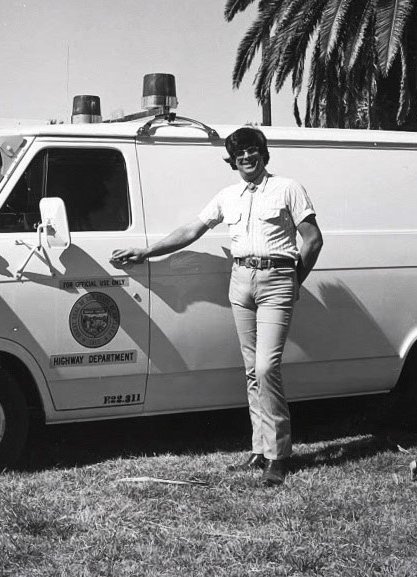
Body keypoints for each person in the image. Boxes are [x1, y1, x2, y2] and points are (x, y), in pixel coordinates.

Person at [111, 126, 323, 486]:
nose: (246, 157)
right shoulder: (228, 195)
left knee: (266, 366)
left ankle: (278, 454)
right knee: (251, 370)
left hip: (277, 281)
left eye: (252, 150)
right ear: (232, 160)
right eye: (239, 154)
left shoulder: (288, 188)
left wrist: (293, 280)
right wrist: (146, 252)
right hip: (240, 282)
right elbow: (192, 230)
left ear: (263, 152)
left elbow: (313, 239)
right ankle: (259, 449)